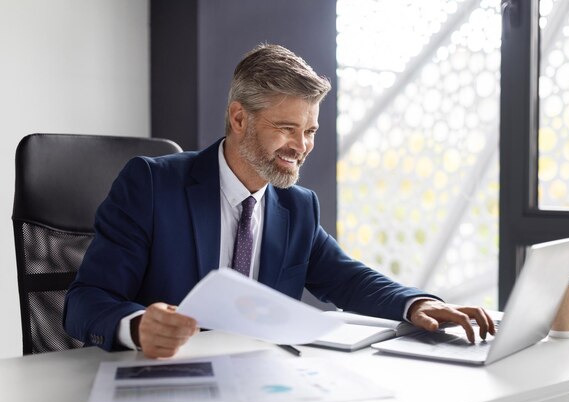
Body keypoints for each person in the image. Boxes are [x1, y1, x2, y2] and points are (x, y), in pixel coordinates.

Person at [64, 44, 495, 359]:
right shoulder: (153, 185)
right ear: (238, 119)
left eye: (310, 132)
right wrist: (138, 327)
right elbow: (85, 302)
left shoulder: (297, 207)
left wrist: (418, 303)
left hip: (256, 382)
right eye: (287, 128)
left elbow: (347, 279)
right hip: (163, 379)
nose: (301, 147)